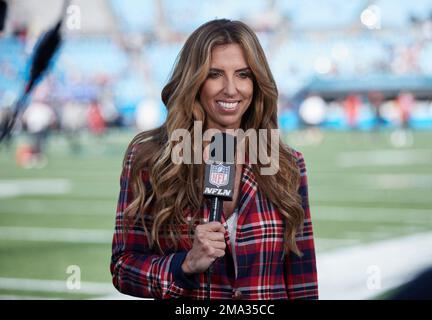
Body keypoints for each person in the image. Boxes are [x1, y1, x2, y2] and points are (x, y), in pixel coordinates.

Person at [110, 19, 318, 300]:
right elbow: (123, 268)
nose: (231, 89)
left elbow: (302, 279)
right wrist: (184, 264)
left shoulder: (287, 163)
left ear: (257, 82)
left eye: (243, 74)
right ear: (194, 80)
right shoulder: (151, 158)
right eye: (215, 74)